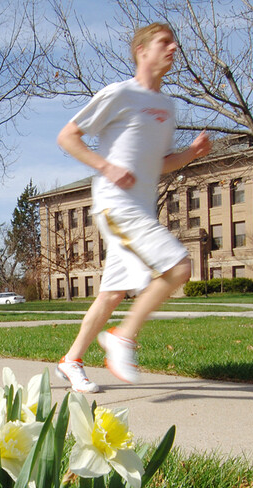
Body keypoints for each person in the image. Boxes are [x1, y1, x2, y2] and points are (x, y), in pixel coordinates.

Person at [54, 22, 211, 393]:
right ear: (142, 51)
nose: (173, 47)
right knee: (180, 266)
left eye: (174, 42)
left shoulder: (167, 108)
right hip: (116, 204)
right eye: (164, 42)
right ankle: (123, 337)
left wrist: (190, 154)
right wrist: (106, 166)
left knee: (111, 294)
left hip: (140, 210)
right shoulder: (120, 94)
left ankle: (70, 361)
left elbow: (159, 162)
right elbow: (67, 136)